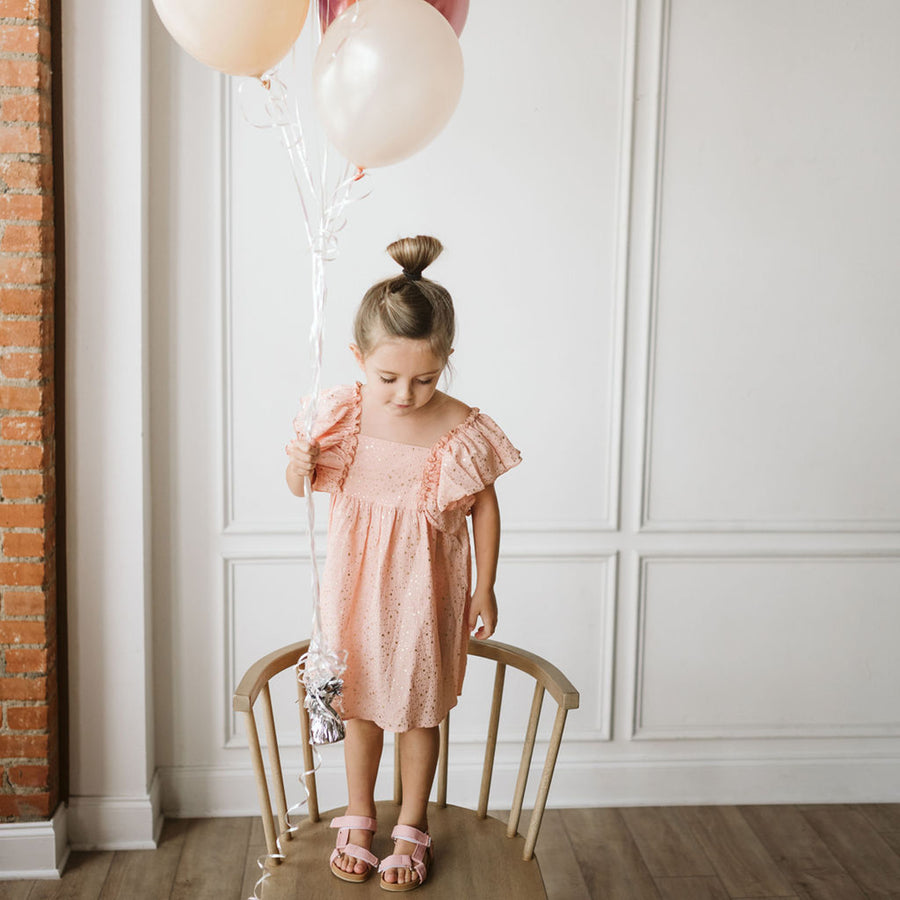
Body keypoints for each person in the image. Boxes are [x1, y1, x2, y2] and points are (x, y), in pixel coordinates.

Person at [285, 235, 521, 892]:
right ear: (359, 359)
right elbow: (300, 485)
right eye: (388, 378)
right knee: (358, 706)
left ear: (446, 361)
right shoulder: (342, 415)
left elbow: (484, 509)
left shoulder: (462, 427)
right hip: (354, 591)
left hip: (426, 592)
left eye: (425, 377)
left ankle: (412, 824)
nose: (406, 393)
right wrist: (296, 468)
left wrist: (485, 586)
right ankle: (359, 817)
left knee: (419, 712)